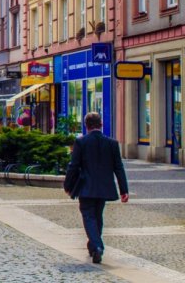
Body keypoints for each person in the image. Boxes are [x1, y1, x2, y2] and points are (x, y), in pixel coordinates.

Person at [63, 112, 129, 265]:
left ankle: (97, 246)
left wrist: (68, 186)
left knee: (88, 217)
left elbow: (73, 166)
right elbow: (118, 168)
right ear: (101, 125)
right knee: (97, 216)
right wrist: (124, 190)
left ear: (86, 126)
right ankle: (93, 246)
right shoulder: (112, 143)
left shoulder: (81, 142)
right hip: (104, 188)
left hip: (86, 187)